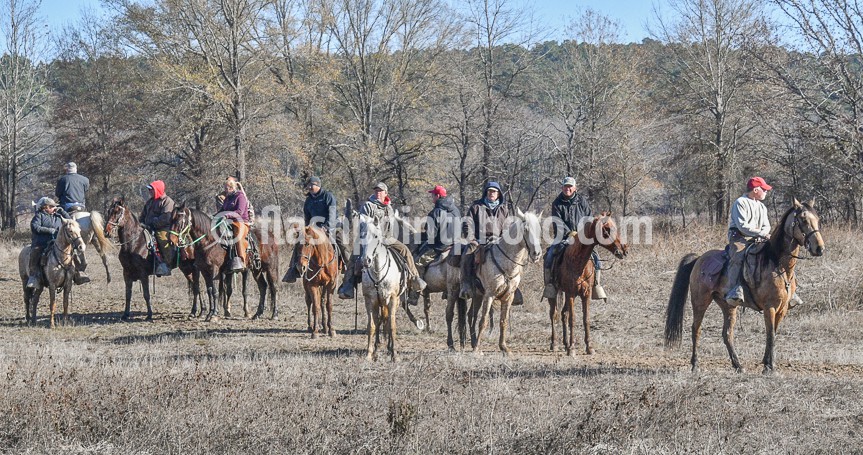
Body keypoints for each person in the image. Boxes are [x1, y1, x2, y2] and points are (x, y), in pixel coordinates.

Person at [337, 182, 426, 299]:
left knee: (405, 250)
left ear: (386, 193)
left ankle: (414, 279)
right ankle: (347, 286)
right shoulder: (368, 206)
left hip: (387, 238)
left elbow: (391, 226)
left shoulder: (389, 207)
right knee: (354, 258)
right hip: (370, 239)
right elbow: (364, 224)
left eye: (380, 191)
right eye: (376, 190)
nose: (378, 193)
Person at [458, 182, 524, 305]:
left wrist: (504, 241)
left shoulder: (504, 209)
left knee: (514, 259)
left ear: (498, 194)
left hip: (498, 241)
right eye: (489, 191)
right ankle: (466, 284)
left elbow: (507, 228)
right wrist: (472, 239)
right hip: (479, 241)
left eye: (494, 191)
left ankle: (513, 288)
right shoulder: (476, 207)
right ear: (486, 192)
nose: (491, 193)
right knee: (467, 253)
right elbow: (467, 224)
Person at [542, 177, 605, 300]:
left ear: (575, 188)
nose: (568, 189)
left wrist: (584, 234)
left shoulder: (582, 201)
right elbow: (557, 222)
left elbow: (589, 219)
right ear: (562, 188)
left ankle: (596, 285)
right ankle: (550, 285)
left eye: (570, 186)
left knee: (596, 259)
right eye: (565, 186)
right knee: (549, 257)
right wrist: (569, 234)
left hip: (582, 238)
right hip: (563, 238)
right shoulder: (557, 203)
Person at [283, 176, 343, 283]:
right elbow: (307, 219)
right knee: (300, 243)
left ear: (318, 185)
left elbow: (332, 215)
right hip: (314, 230)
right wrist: (306, 230)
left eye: (312, 185)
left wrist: (326, 227)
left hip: (331, 226)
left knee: (342, 244)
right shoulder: (308, 200)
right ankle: (292, 270)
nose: (310, 187)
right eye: (308, 185)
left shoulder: (328, 196)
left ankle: (349, 271)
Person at [724, 176, 772, 305]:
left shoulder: (762, 207)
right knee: (738, 255)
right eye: (764, 189)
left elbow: (767, 225)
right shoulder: (740, 202)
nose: (766, 192)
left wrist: (763, 233)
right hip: (739, 237)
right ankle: (734, 290)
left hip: (758, 237)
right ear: (756, 190)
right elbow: (742, 226)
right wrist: (762, 233)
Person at [26, 197, 90, 288]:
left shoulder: (58, 216)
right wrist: (50, 231)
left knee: (72, 253)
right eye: (52, 206)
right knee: (35, 254)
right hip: (41, 243)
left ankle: (78, 275)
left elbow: (70, 222)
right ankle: (34, 277)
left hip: (56, 242)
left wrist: (63, 212)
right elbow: (35, 227)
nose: (54, 208)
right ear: (45, 207)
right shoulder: (39, 216)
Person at [415, 185, 460, 268]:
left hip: (440, 247)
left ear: (438, 196)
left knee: (416, 264)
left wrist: (418, 236)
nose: (431, 197)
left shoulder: (435, 212)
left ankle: (417, 276)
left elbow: (430, 236)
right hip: (456, 244)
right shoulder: (456, 210)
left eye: (433, 195)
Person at [140, 180, 176, 277]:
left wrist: (153, 223)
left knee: (163, 239)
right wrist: (141, 223)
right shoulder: (150, 202)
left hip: (163, 228)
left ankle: (167, 265)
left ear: (158, 190)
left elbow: (166, 218)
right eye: (149, 190)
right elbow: (143, 215)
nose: (149, 192)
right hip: (147, 227)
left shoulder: (167, 201)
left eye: (151, 189)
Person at [218, 176, 251, 272]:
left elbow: (240, 211)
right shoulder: (227, 198)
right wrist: (215, 217)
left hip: (241, 222)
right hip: (228, 221)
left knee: (237, 234)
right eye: (225, 188)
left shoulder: (240, 196)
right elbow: (222, 210)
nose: (225, 190)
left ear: (232, 188)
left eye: (226, 188)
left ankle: (241, 261)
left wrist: (227, 215)